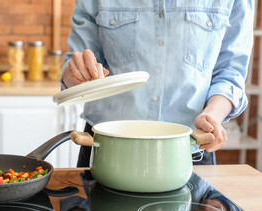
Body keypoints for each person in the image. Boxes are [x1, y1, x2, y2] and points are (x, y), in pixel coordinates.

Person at [60, 0, 254, 167]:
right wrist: (76, 73)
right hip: (105, 150)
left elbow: (230, 72)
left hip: (192, 150)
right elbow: (72, 74)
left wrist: (212, 115)